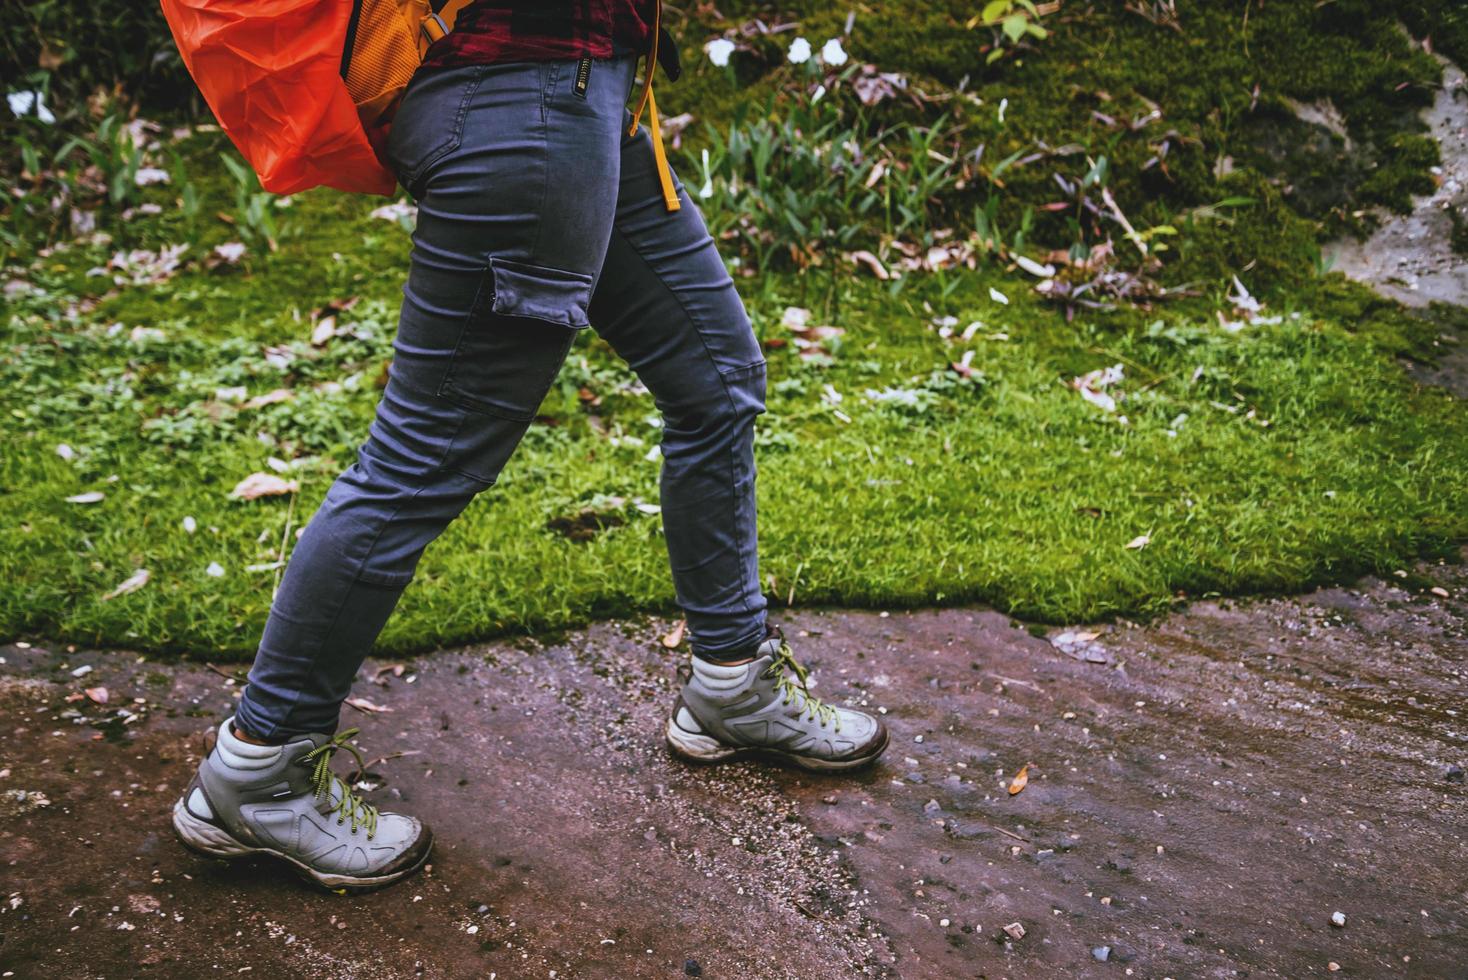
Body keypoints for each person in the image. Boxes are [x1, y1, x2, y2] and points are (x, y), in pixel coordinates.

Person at [171, 0, 889, 892]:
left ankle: (734, 680)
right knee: (422, 458)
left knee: (716, 381)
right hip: (521, 98)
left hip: (592, 91)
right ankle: (259, 769)